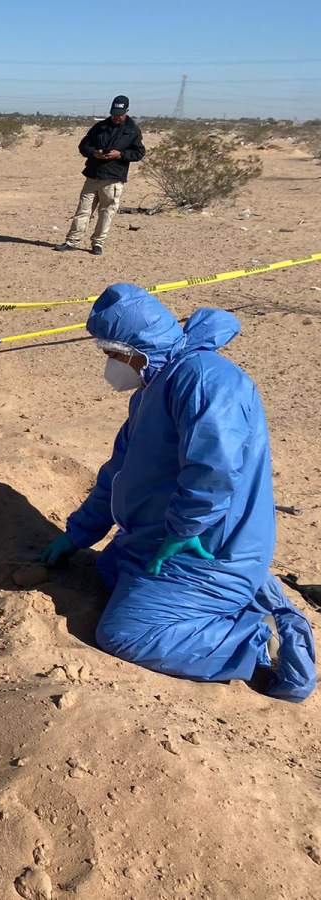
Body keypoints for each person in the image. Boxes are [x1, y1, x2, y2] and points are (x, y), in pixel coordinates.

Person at [39, 283, 315, 702]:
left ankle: (263, 639)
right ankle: (246, 593)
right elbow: (118, 471)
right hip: (159, 538)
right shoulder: (154, 387)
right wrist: (78, 533)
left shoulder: (205, 379)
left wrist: (186, 527)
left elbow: (214, 465)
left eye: (114, 355)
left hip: (207, 549)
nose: (111, 366)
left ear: (136, 348)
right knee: (109, 572)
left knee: (126, 633)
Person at [55, 95, 145, 257]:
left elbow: (139, 152)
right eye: (114, 113)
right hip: (93, 175)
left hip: (114, 177)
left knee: (106, 212)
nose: (116, 117)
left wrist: (120, 154)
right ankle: (72, 241)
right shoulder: (99, 127)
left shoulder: (132, 130)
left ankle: (98, 243)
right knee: (83, 210)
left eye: (120, 113)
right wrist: (94, 153)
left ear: (126, 111)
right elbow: (84, 146)